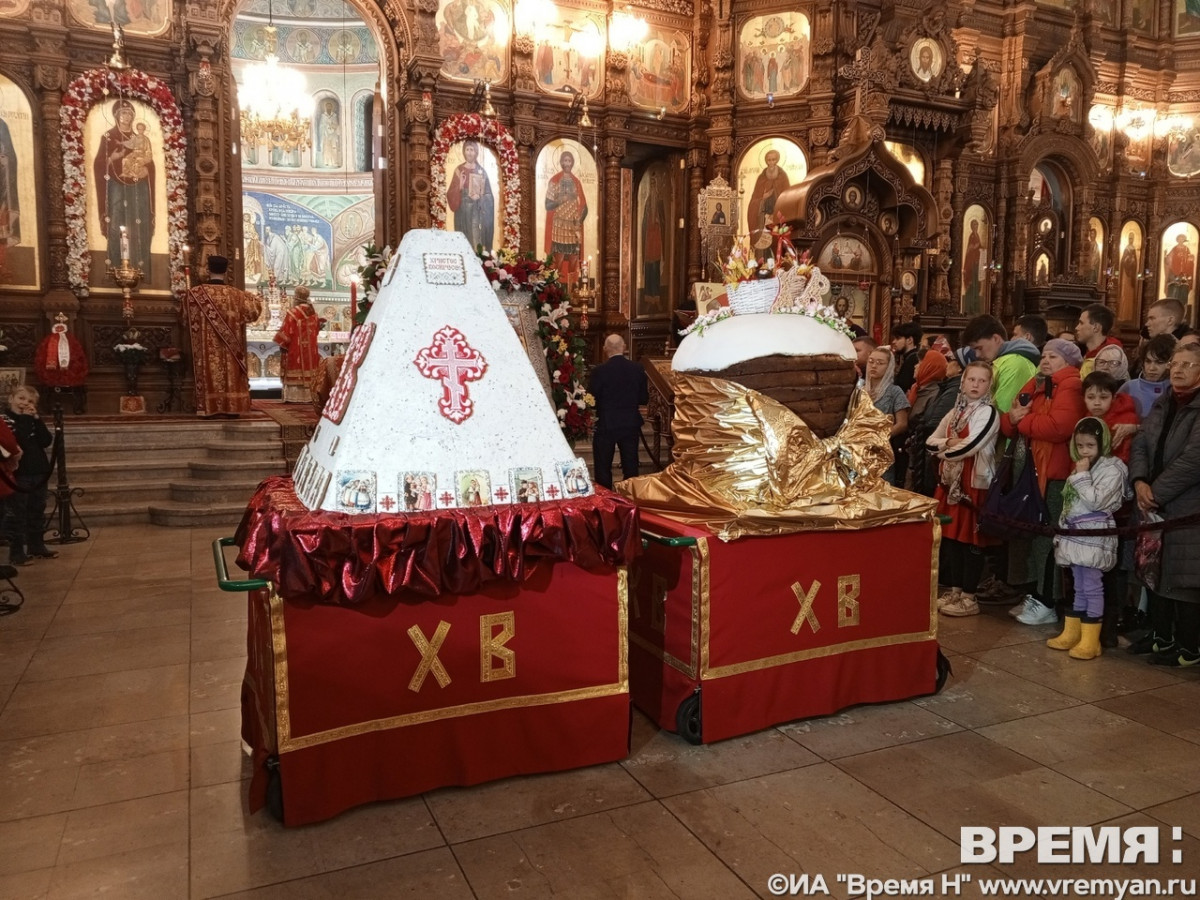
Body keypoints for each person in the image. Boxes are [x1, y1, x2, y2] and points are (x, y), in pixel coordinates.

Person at [1001, 338, 1088, 625]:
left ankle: (1047, 600)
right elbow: (1012, 413)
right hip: (1032, 470)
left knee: (1046, 538)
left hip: (1054, 472)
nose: (1046, 361)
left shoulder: (1070, 385)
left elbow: (1058, 427)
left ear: (1068, 362)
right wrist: (1016, 418)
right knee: (1033, 537)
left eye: (1053, 356)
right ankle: (1035, 593)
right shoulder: (1040, 382)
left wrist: (1022, 422)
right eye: (1044, 355)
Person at [1128, 341, 1200, 667]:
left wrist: (1155, 491)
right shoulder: (1164, 400)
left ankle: (1189, 647)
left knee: (1183, 577)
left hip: (1187, 504)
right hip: (1155, 500)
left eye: (1188, 365)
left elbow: (1193, 460)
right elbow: (1141, 441)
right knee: (1155, 571)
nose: (1178, 370)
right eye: (1176, 364)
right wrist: (1139, 480)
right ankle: (1161, 636)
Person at [1047, 417, 1129, 660]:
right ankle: (1074, 633)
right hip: (1075, 537)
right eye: (1080, 446)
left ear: (1102, 443)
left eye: (1090, 446)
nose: (1084, 451)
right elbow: (1072, 502)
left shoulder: (1113, 468)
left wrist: (1081, 477)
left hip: (1094, 536)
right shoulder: (1082, 466)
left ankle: (1091, 640)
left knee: (1093, 587)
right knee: (1078, 586)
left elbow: (1096, 501)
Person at [929, 360, 1000, 617]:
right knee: (952, 540)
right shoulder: (955, 412)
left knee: (971, 541)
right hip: (950, 484)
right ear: (963, 381)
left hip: (973, 484)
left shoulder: (988, 413)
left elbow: (972, 445)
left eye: (982, 381)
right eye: (972, 379)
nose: (976, 385)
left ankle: (970, 596)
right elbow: (930, 440)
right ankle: (956, 589)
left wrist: (943, 452)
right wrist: (948, 442)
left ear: (989, 385)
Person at [181, 255, 263, 417]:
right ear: (226, 272)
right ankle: (232, 407)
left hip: (206, 350)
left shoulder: (194, 295)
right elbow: (254, 312)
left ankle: (208, 407)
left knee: (209, 370)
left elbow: (184, 318)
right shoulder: (238, 296)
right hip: (230, 350)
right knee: (230, 372)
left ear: (208, 269)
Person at [93, 98, 154, 274]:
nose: (126, 117)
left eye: (129, 113)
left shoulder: (140, 139)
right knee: (116, 219)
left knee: (139, 221)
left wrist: (147, 170)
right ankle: (114, 267)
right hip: (116, 184)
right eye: (123, 113)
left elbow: (150, 161)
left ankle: (139, 268)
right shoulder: (109, 137)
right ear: (117, 116)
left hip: (138, 185)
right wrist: (113, 158)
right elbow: (99, 163)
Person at [1, 386, 56, 566]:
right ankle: (17, 553)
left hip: (38, 470)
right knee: (18, 513)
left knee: (36, 510)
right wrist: (25, 418)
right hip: (19, 473)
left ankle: (36, 546)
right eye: (21, 398)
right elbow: (19, 440)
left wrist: (37, 420)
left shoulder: (31, 419)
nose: (25, 403)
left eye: (30, 401)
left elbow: (46, 440)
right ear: (11, 399)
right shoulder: (5, 420)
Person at [589, 334, 648, 489]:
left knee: (603, 467)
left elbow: (591, 399)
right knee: (630, 465)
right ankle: (630, 499)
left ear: (605, 349)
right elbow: (643, 398)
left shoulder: (599, 371)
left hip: (606, 424)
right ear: (624, 347)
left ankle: (606, 500)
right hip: (630, 423)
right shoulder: (637, 369)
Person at [962, 314, 1041, 416]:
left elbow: (1001, 413)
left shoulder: (1014, 364)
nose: (977, 354)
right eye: (974, 350)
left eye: (979, 348)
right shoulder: (1002, 361)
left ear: (996, 338)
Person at [864, 347, 910, 486]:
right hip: (860, 447)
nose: (874, 366)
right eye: (871, 361)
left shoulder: (895, 391)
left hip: (882, 448)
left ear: (889, 367)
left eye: (880, 363)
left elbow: (902, 424)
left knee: (881, 488)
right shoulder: (860, 390)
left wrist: (880, 437)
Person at [273, 285, 325, 403]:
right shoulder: (313, 313)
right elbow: (316, 331)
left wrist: (282, 344)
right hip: (311, 349)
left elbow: (287, 332)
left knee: (295, 365)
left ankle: (294, 397)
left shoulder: (293, 312)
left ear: (296, 296)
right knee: (309, 368)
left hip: (295, 348)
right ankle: (308, 396)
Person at [544, 150, 588, 286]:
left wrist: (579, 222)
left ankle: (572, 289)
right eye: (565, 161)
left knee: (574, 260)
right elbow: (548, 205)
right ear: (561, 163)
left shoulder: (577, 182)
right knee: (558, 261)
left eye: (569, 161)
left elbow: (585, 207)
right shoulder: (554, 181)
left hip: (573, 228)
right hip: (559, 227)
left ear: (572, 163)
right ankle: (556, 289)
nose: (567, 163)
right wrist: (560, 200)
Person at [446, 140, 495, 251]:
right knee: (463, 237)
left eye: (472, 150)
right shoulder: (459, 170)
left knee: (475, 236)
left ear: (476, 152)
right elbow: (450, 193)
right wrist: (460, 186)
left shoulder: (481, 171)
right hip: (462, 212)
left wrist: (481, 197)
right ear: (464, 152)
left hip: (476, 212)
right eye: (467, 149)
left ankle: (478, 258)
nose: (469, 153)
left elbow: (489, 196)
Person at [1120, 333, 1176, 418]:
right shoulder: (1128, 387)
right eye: (1148, 361)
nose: (1152, 368)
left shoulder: (1175, 390)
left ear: (1170, 363)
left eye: (1159, 362)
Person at [747, 149, 789, 245]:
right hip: (762, 218)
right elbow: (753, 201)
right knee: (763, 244)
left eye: (773, 160)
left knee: (775, 242)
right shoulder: (761, 178)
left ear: (777, 160)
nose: (771, 163)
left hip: (777, 217)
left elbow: (787, 198)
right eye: (769, 160)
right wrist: (762, 198)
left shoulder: (782, 177)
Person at [1075, 303, 1123, 379]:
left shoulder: (1110, 360)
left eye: (1081, 323)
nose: (1077, 328)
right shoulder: (1086, 353)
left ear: (1096, 327)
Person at [890, 321, 924, 393]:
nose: (894, 342)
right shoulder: (910, 357)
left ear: (909, 340)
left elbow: (902, 387)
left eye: (898, 338)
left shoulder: (913, 360)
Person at [962, 218, 984, 314]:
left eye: (977, 225)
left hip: (976, 263)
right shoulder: (972, 236)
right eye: (974, 225)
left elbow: (978, 247)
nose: (976, 227)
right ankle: (970, 308)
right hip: (972, 265)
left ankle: (975, 308)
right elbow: (970, 248)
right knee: (972, 286)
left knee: (976, 286)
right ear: (971, 226)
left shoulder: (977, 235)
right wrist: (977, 246)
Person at [1118, 233, 1141, 323]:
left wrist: (1133, 262)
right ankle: (1123, 313)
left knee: (1130, 294)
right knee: (1124, 292)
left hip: (1131, 275)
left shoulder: (1134, 249)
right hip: (1125, 276)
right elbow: (1123, 261)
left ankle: (1129, 315)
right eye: (1129, 238)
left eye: (1132, 238)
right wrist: (1128, 260)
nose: (1130, 240)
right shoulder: (1126, 249)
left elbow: (1135, 263)